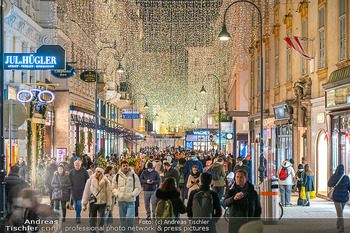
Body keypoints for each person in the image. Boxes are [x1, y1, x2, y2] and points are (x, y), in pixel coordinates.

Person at [112, 160, 141, 233]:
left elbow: (138, 187)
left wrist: (133, 194)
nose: (125, 167)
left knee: (129, 218)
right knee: (123, 220)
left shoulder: (134, 175)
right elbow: (113, 188)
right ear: (121, 167)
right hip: (121, 201)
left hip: (130, 201)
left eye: (126, 166)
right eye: (124, 166)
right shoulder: (117, 176)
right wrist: (117, 194)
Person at [82, 167, 112, 233]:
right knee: (92, 220)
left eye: (98, 172)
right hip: (93, 203)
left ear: (101, 173)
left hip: (102, 203)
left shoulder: (106, 181)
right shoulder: (90, 180)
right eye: (96, 171)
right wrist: (84, 204)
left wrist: (108, 205)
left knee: (101, 221)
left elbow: (109, 194)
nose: (96, 173)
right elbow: (86, 192)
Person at [328, 164, 350, 233]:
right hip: (344, 197)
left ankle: (341, 227)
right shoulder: (346, 178)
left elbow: (329, 184)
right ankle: (338, 224)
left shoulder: (334, 176)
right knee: (340, 212)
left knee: (339, 212)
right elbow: (349, 187)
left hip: (337, 197)